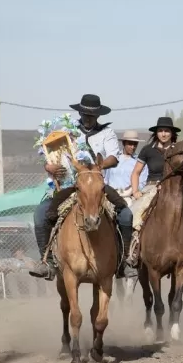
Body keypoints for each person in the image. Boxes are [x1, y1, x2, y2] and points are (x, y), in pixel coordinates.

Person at [30, 94, 136, 280]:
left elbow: (114, 157)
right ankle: (47, 262)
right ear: (80, 113)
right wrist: (49, 167)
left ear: (98, 115)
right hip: (67, 187)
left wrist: (98, 167)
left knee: (126, 214)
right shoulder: (66, 131)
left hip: (96, 187)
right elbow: (51, 155)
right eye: (85, 114)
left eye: (92, 115)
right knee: (40, 214)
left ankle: (123, 262)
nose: (88, 118)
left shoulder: (107, 133)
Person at [127, 117, 183, 259]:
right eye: (160, 131)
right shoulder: (148, 150)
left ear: (172, 133)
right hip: (151, 187)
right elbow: (136, 173)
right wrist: (135, 191)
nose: (163, 134)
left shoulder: (179, 150)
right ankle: (134, 247)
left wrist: (174, 184)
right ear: (156, 133)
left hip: (175, 189)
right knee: (134, 214)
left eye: (167, 131)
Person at [106, 130, 148, 201]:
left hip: (129, 197)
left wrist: (132, 190)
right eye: (130, 144)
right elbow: (106, 179)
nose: (133, 147)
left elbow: (142, 182)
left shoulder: (140, 162)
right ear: (123, 143)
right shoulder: (113, 159)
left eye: (135, 144)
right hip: (110, 195)